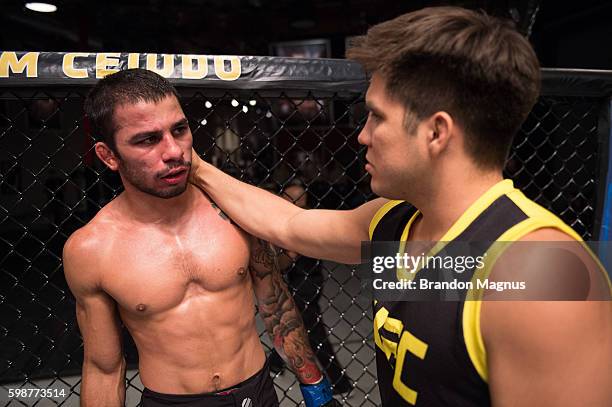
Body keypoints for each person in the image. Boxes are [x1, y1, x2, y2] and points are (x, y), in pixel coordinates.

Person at [188, 6, 612, 407]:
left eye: (376, 117)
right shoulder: (393, 219)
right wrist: (196, 167)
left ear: (436, 132)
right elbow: (289, 223)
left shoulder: (541, 275)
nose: (362, 136)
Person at [63, 68, 339, 407]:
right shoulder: (90, 249)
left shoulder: (234, 211)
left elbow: (276, 306)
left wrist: (315, 386)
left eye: (179, 130)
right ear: (108, 156)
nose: (174, 151)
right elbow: (103, 368)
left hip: (257, 392)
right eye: (147, 139)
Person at [269, 183, 353, 394]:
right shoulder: (297, 218)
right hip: (301, 281)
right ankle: (276, 363)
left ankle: (340, 382)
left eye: (292, 198)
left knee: (313, 333)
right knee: (285, 323)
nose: (286, 201)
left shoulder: (300, 222)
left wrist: (268, 266)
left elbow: (288, 258)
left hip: (305, 284)